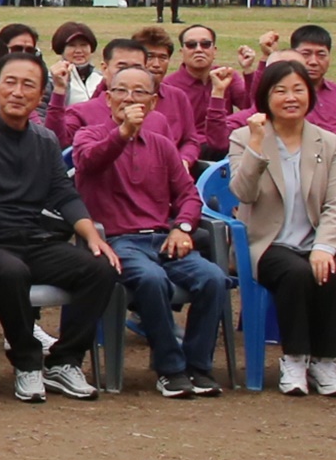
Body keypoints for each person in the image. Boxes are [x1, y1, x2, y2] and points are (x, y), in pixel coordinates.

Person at [0, 51, 119, 404]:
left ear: (41, 93)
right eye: (9, 83)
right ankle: (27, 363)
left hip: (32, 237)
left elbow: (64, 194)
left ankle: (64, 360)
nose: (17, 92)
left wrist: (92, 236)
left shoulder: (44, 141)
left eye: (28, 84)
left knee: (100, 268)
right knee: (11, 272)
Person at [77, 64, 228, 398]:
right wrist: (122, 133)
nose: (129, 98)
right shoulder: (89, 135)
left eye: (139, 92)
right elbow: (90, 162)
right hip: (117, 241)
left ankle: (197, 365)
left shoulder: (161, 145)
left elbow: (188, 195)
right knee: (150, 279)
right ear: (107, 96)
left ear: (154, 102)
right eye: (121, 91)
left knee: (213, 278)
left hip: (162, 238)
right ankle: (170, 368)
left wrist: (183, 227)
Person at [227, 58, 336, 396]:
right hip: (268, 243)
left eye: (298, 89)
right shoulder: (243, 137)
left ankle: (325, 361)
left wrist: (325, 247)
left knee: (333, 271)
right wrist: (256, 146)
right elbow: (243, 193)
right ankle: (295, 358)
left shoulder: (328, 143)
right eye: (280, 91)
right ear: (266, 96)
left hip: (316, 239)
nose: (290, 97)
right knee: (296, 273)